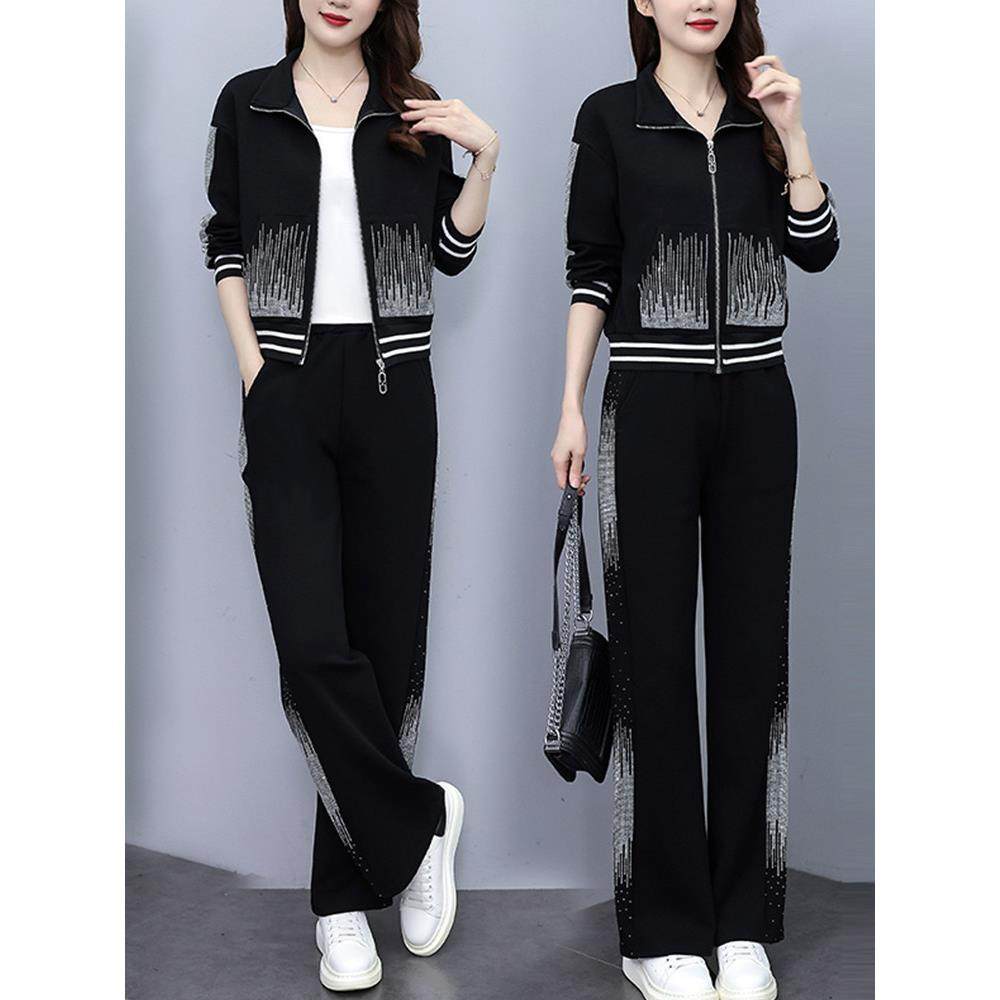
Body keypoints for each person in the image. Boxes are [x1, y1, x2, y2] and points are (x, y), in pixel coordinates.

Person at [199, 0, 498, 990]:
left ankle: (340, 902)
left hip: (393, 393)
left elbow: (450, 253)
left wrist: (484, 161)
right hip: (286, 384)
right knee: (311, 643)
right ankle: (419, 825)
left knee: (384, 645)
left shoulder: (414, 110)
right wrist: (255, 371)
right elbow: (226, 239)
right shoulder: (249, 103)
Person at [550, 2, 839, 998]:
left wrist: (794, 137)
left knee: (753, 661)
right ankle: (661, 928)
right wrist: (570, 406)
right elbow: (591, 272)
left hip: (758, 405)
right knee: (655, 663)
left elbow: (816, 246)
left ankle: (741, 921)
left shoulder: (765, 114)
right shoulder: (609, 116)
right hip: (649, 406)